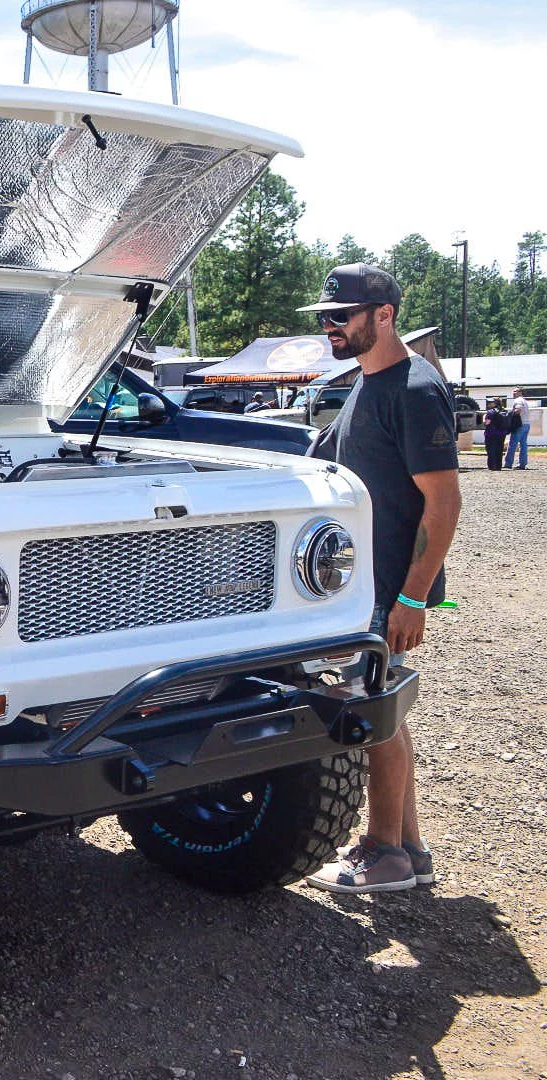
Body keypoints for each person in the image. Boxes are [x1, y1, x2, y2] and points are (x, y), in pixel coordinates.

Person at [297, 263, 462, 894]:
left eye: (342, 316)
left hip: (385, 589)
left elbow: (442, 503)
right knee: (384, 712)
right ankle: (408, 850)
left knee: (368, 712)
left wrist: (413, 596)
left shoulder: (413, 389)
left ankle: (383, 851)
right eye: (325, 317)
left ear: (384, 315)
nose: (330, 327)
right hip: (360, 586)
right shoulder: (368, 381)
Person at [504, 387, 531, 470]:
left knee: (512, 444)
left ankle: (508, 463)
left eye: (516, 391)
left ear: (520, 392)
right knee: (523, 445)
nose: (514, 393)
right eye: (513, 391)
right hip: (527, 424)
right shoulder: (525, 401)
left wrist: (509, 415)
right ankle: (522, 464)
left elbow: (518, 410)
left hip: (520, 425)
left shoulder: (518, 400)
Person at [483, 398, 510, 471]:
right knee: (499, 449)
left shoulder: (491, 412)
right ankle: (498, 466)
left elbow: (487, 422)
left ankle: (492, 466)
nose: (488, 404)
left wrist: (484, 421)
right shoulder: (504, 411)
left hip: (491, 433)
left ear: (494, 403)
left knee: (491, 449)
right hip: (502, 434)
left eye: (490, 402)